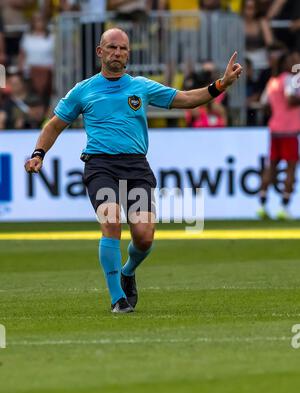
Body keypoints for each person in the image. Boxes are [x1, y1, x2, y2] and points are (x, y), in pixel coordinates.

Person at [24, 28, 242, 313]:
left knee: (144, 236)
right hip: (100, 166)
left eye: (123, 49)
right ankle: (118, 299)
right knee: (111, 221)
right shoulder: (83, 90)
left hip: (136, 167)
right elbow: (54, 125)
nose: (117, 53)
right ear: (100, 52)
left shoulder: (141, 87)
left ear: (128, 54)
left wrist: (221, 85)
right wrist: (39, 153)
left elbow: (186, 99)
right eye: (112, 47)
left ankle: (127, 271)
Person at [258, 51, 300, 220]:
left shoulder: (272, 82)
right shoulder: (288, 79)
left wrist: (277, 112)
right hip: (289, 131)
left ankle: (262, 205)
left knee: (271, 167)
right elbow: (290, 99)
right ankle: (284, 206)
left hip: (274, 130)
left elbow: (264, 104)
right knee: (290, 168)